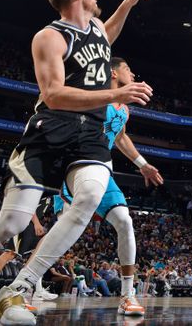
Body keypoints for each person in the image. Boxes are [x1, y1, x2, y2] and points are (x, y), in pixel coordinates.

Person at [0, 0, 153, 325]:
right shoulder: (50, 37)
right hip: (51, 128)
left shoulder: (96, 33)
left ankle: (20, 287)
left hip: (89, 133)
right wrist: (117, 93)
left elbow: (108, 35)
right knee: (9, 224)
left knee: (89, 196)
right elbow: (54, 95)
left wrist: (129, 3)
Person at [55, 56, 163, 316]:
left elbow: (121, 137)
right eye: (128, 68)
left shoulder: (124, 109)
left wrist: (142, 164)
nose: (133, 73)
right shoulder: (94, 95)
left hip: (104, 171)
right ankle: (24, 284)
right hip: (80, 167)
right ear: (113, 73)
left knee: (125, 221)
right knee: (65, 233)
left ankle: (127, 294)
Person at [0, 197, 56, 302]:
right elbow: (29, 206)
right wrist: (37, 223)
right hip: (24, 223)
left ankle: (38, 291)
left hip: (32, 225)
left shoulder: (51, 194)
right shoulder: (43, 188)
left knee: (36, 256)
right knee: (10, 253)